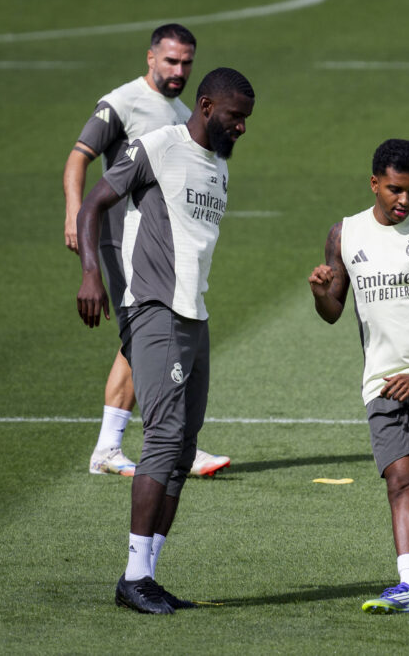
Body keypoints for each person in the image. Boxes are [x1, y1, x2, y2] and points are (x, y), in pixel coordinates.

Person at [76, 67, 256, 613]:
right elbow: (93, 203)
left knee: (182, 448)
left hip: (194, 316)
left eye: (246, 119)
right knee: (163, 436)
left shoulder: (219, 167)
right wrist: (91, 273)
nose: (241, 127)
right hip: (154, 309)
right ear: (206, 106)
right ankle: (133, 577)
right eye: (235, 117)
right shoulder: (159, 146)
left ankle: (146, 577)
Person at [63, 24, 230, 478]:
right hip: (123, 242)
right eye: (171, 61)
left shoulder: (182, 114)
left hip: (160, 246)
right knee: (146, 334)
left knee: (139, 339)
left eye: (186, 63)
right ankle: (158, 442)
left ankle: (123, 445)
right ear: (151, 58)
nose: (179, 71)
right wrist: (74, 212)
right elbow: (79, 157)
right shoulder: (123, 102)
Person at [308, 139, 409, 614]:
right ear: (375, 183)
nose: (405, 200)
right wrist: (320, 292)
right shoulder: (345, 234)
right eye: (396, 189)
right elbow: (333, 311)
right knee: (400, 480)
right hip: (380, 380)